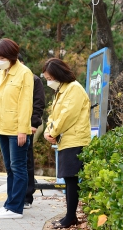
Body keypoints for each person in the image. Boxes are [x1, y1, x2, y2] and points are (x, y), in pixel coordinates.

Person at [42, 58, 91, 229]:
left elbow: (66, 116)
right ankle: (70, 216)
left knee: (71, 179)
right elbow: (53, 116)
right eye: (46, 78)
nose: (48, 82)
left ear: (58, 74)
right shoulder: (61, 91)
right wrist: (49, 131)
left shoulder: (74, 89)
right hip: (66, 140)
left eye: (50, 78)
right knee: (69, 179)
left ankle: (71, 217)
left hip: (75, 139)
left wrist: (53, 132)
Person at [0, 38, 34, 219]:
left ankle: (16, 208)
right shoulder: (1, 73)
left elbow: (26, 104)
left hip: (17, 130)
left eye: (1, 56)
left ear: (11, 55)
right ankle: (9, 204)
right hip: (2, 128)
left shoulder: (24, 73)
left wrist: (23, 129)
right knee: (9, 168)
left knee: (18, 168)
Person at [17, 54, 45, 209]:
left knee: (26, 161)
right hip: (11, 127)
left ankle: (27, 196)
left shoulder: (34, 80)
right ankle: (15, 195)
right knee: (14, 164)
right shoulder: (8, 78)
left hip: (27, 126)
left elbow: (39, 103)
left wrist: (34, 123)